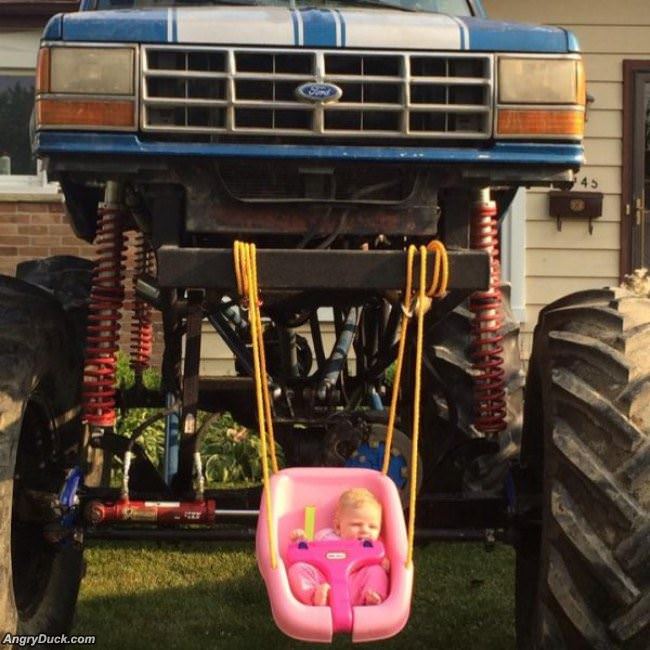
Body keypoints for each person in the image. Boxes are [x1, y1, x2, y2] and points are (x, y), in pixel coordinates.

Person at [287, 487, 390, 607]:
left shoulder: (373, 546)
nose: (365, 530)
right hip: (327, 583)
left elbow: (381, 562)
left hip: (356, 586)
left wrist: (384, 563)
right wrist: (301, 542)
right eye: (356, 524)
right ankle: (315, 595)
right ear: (337, 526)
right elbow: (309, 554)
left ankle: (373, 598)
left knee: (376, 571)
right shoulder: (325, 536)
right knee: (297, 569)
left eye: (372, 527)